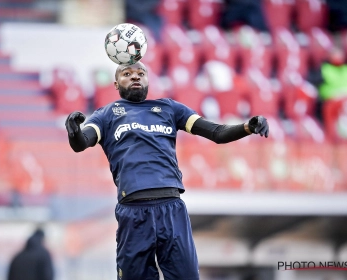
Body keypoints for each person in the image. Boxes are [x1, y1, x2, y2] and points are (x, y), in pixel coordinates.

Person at [65, 61, 269, 280]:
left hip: (171, 209)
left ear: (148, 80)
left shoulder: (170, 109)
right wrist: (74, 130)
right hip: (133, 213)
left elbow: (217, 133)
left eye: (141, 73)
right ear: (116, 83)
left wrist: (248, 127)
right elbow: (81, 143)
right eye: (127, 73)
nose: (135, 77)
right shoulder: (106, 115)